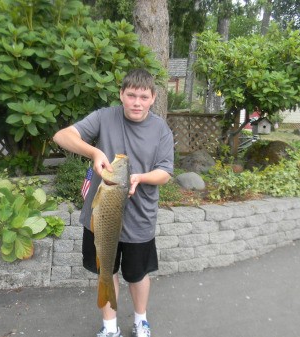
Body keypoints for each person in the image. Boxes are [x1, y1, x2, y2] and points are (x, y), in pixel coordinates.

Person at [53, 68, 174, 337]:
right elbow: (62, 136)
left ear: (153, 97)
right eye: (131, 95)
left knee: (138, 274)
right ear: (121, 94)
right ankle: (110, 327)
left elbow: (165, 171)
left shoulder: (160, 129)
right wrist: (94, 152)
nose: (136, 102)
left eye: (143, 96)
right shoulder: (104, 117)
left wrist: (140, 178)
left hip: (140, 217)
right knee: (106, 270)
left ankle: (141, 320)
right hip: (100, 217)